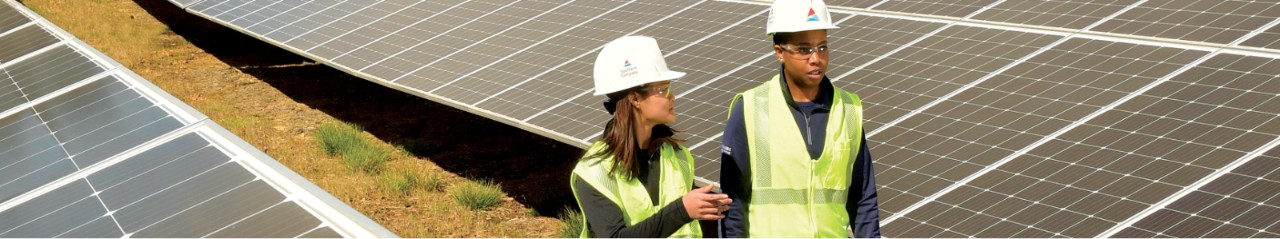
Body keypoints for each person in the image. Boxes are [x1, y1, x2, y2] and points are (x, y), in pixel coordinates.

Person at [719, 0, 881, 237]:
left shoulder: (848, 109)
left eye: (822, 47)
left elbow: (863, 199)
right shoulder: (750, 108)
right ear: (779, 52)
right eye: (805, 50)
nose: (816, 58)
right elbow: (733, 205)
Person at [570, 36, 732, 238]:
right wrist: (681, 211)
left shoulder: (678, 157)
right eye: (663, 89)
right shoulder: (595, 171)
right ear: (635, 99)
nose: (672, 96)